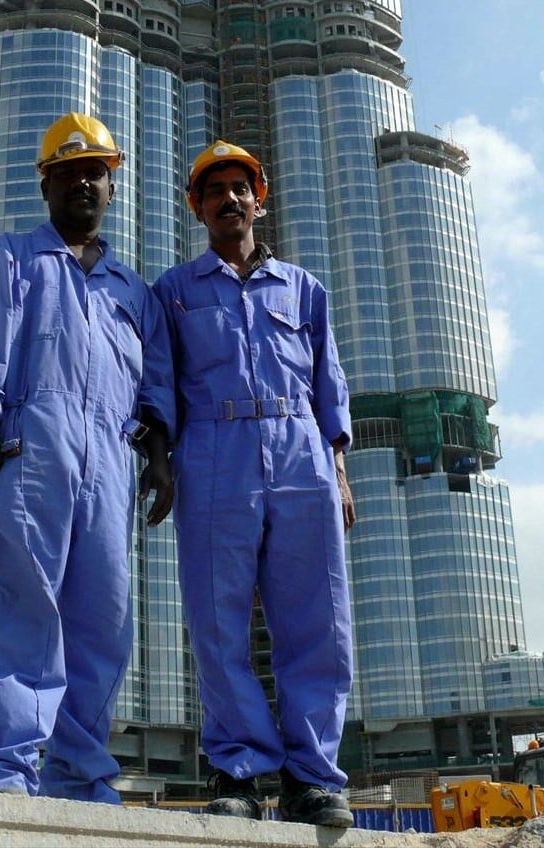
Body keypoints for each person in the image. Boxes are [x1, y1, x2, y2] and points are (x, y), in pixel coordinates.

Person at [0, 112, 174, 803]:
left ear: (112, 187)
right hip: (29, 448)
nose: (81, 182)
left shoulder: (133, 292)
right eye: (67, 171)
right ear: (45, 185)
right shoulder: (11, 259)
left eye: (93, 172)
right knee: (18, 601)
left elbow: (155, 384)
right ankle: (3, 769)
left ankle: (78, 776)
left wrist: (158, 457)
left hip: (110, 461)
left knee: (100, 620)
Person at [154, 141, 356, 827]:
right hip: (213, 454)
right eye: (215, 191)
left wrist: (338, 469)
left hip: (301, 454)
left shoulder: (304, 289)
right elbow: (158, 385)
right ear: (196, 208)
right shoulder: (174, 293)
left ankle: (312, 778)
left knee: (317, 621)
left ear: (258, 197)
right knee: (218, 621)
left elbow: (328, 383)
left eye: (241, 187)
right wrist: (158, 454)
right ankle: (238, 771)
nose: (230, 199)